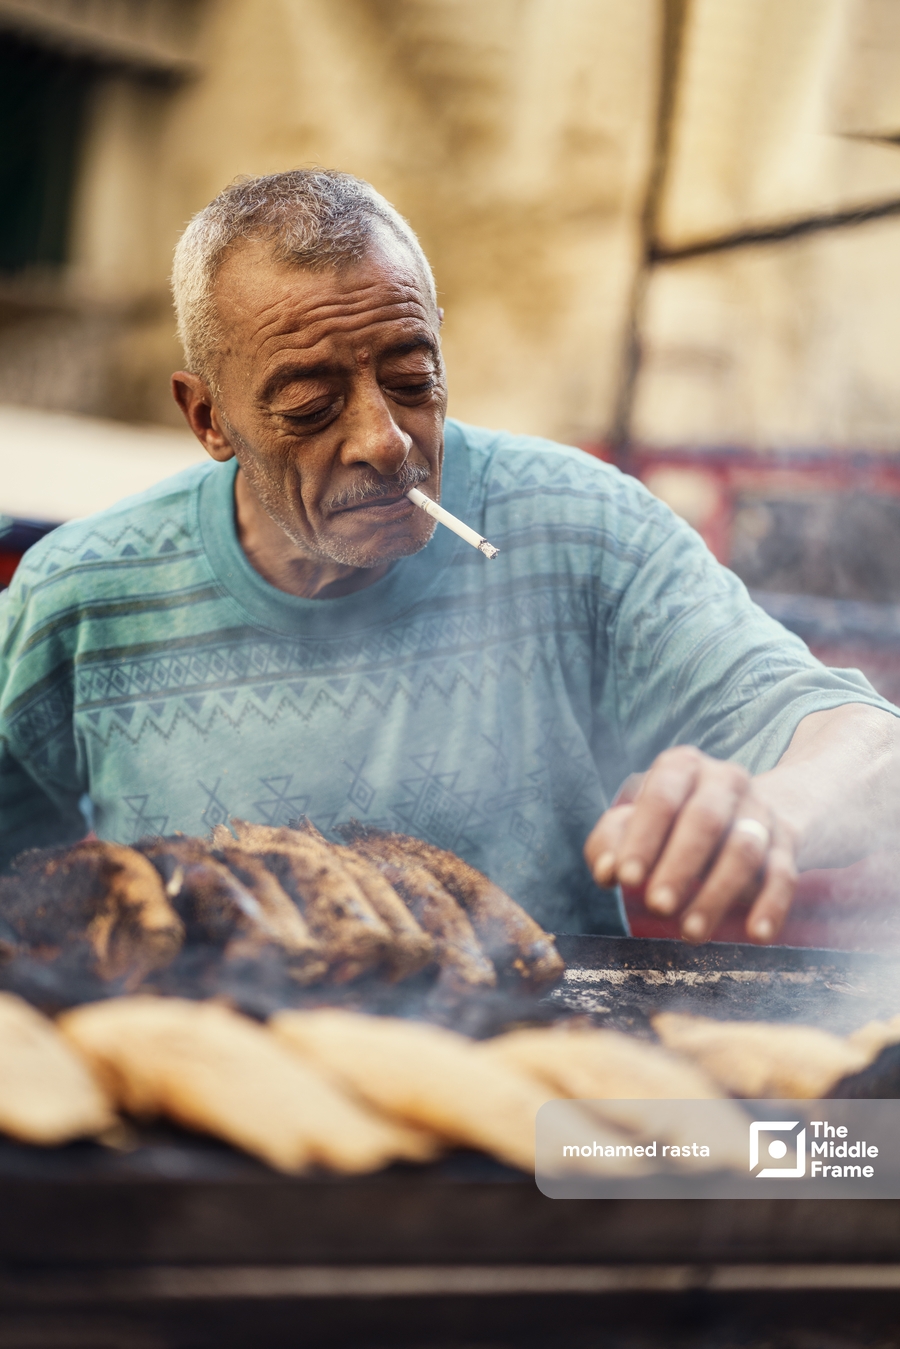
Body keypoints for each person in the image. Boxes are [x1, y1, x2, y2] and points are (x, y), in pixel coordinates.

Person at [1, 170, 897, 944]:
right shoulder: (82, 593)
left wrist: (772, 812)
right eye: (311, 405)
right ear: (208, 418)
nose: (385, 441)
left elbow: (867, 744)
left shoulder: (578, 528)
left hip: (535, 1069)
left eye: (410, 379)